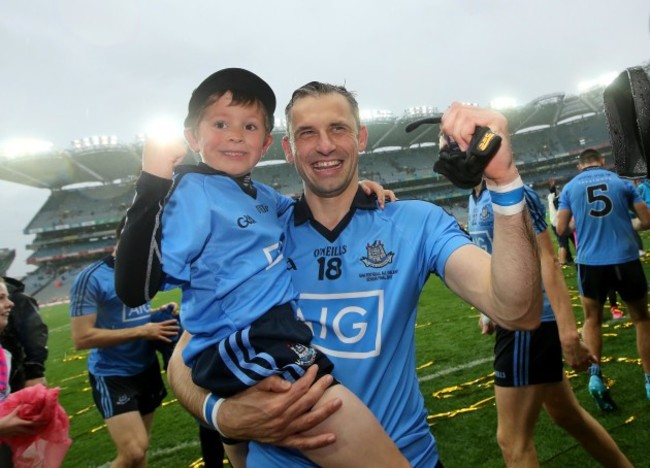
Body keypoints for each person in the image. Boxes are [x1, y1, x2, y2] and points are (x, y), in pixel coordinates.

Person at [115, 80, 543, 466]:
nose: (324, 145)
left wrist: (504, 182)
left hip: (405, 455)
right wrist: (222, 414)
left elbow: (517, 311)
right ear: (286, 149)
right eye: (306, 133)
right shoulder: (254, 233)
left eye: (338, 129)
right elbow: (186, 357)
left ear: (360, 138)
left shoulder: (414, 223)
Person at [119, 67, 407, 467]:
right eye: (220, 123)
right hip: (244, 339)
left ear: (266, 143)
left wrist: (358, 189)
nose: (236, 134)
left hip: (271, 331)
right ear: (191, 137)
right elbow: (135, 288)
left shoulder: (262, 195)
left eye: (250, 126)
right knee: (332, 407)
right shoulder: (190, 193)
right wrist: (152, 182)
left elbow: (302, 210)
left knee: (255, 439)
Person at [468, 180, 632, 466]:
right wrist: (488, 309)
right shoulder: (475, 196)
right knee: (567, 415)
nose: (445, 148)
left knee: (512, 441)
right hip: (516, 317)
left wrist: (568, 333)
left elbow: (548, 259)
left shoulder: (512, 192)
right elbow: (495, 257)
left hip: (526, 323)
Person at [69, 217, 180, 467]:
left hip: (146, 368)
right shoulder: (91, 278)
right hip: (113, 375)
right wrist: (143, 330)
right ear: (128, 238)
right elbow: (82, 337)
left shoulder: (143, 271)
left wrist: (156, 315)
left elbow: (129, 317)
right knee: (133, 452)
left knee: (142, 449)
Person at [557, 148, 650, 408]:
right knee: (642, 319)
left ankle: (596, 379)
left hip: (590, 263)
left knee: (592, 320)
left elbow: (562, 228)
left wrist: (581, 225)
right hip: (625, 258)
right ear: (602, 162)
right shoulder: (620, 182)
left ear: (579, 166)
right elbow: (647, 219)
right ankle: (649, 381)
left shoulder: (570, 188)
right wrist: (629, 225)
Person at [1, 276, 48, 391]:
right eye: (1, 298)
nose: (10, 304)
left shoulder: (19, 299)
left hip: (17, 378)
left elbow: (34, 334)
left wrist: (34, 372)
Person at [546, 184, 574, 265]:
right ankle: (562, 261)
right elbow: (561, 209)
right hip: (560, 222)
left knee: (563, 242)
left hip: (555, 223)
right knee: (564, 244)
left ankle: (568, 259)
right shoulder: (557, 198)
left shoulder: (550, 196)